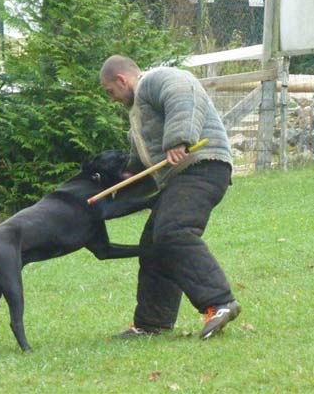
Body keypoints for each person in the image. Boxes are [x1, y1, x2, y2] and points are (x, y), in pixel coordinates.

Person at [99, 55, 240, 340]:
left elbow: (184, 91)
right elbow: (145, 160)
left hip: (204, 166)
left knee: (173, 231)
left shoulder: (156, 79)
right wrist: (126, 180)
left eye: (110, 92)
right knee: (152, 245)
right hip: (182, 177)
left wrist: (179, 138)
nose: (111, 99)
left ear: (122, 80)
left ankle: (220, 302)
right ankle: (152, 323)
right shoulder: (138, 113)